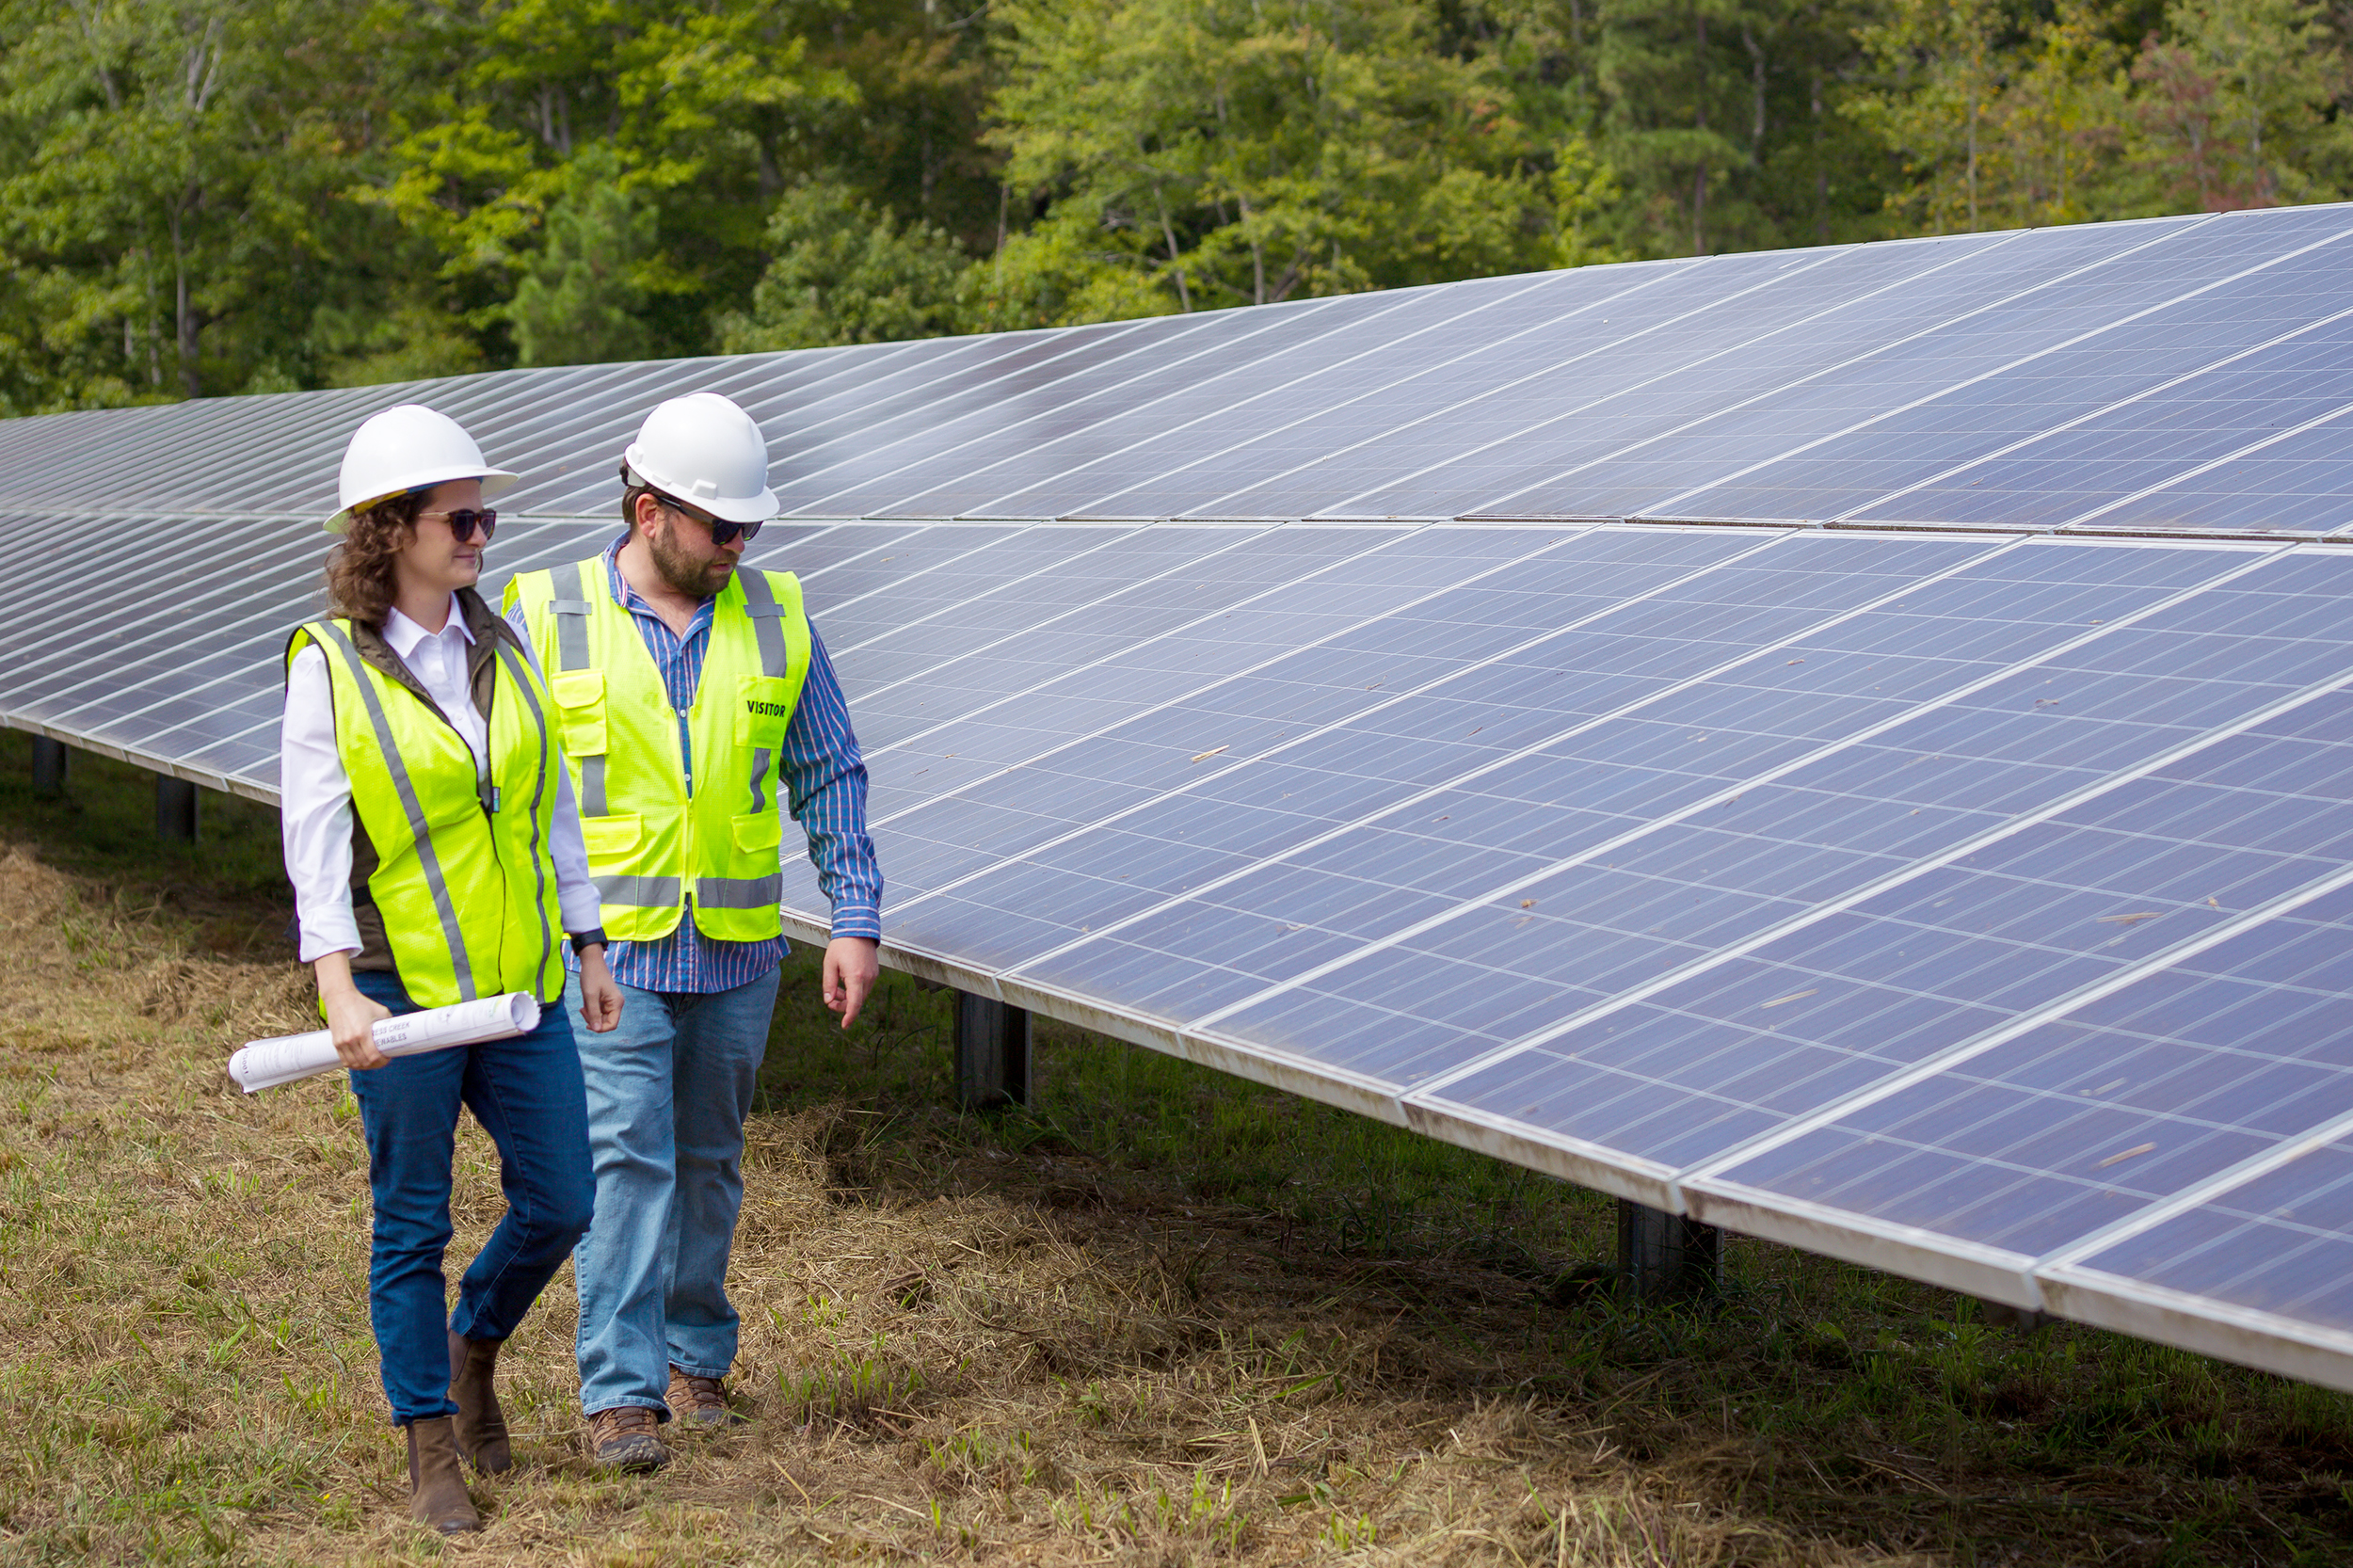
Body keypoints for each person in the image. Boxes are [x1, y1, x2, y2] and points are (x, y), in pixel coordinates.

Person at [507, 392, 882, 1473]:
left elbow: (830, 771)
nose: (739, 546)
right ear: (645, 510)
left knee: (710, 1161)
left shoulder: (777, 616)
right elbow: (506, 783)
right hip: (607, 953)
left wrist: (853, 919)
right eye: (721, 528)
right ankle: (621, 1395)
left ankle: (693, 1355)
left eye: (749, 528)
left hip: (735, 950)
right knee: (627, 1161)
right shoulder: (546, 613)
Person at [280, 405, 624, 1533]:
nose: (483, 532)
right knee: (410, 1223)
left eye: (487, 513)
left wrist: (588, 941)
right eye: (461, 516)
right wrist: (336, 985)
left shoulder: (503, 640)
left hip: (520, 985)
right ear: (391, 530)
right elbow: (317, 843)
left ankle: (473, 1346)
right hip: (401, 994)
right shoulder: (329, 664)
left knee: (564, 1196)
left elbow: (552, 808)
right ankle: (430, 1442)